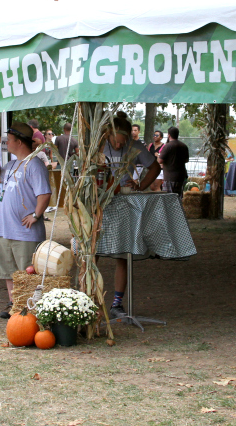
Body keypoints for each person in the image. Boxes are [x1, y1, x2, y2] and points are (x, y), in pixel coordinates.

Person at [0, 122, 52, 319]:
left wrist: (36, 215)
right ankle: (15, 305)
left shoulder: (34, 165)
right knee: (8, 271)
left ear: (19, 142)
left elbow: (45, 193)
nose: (6, 144)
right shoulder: (12, 164)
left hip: (24, 232)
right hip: (5, 229)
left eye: (9, 141)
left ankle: (29, 309)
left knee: (27, 271)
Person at [101, 111, 161, 319]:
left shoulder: (135, 147)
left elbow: (154, 166)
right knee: (94, 252)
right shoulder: (98, 147)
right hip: (101, 204)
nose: (118, 146)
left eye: (122, 142)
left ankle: (117, 303)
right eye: (115, 143)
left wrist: (141, 186)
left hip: (124, 204)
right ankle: (88, 297)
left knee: (122, 254)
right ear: (108, 134)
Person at [158, 126, 189, 198]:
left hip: (170, 177)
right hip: (181, 176)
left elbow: (160, 160)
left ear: (169, 135)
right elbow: (186, 160)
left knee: (169, 198)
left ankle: (170, 210)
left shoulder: (168, 146)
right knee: (178, 198)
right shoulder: (184, 146)